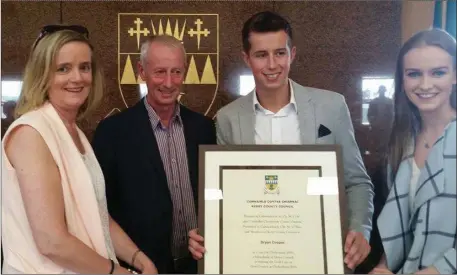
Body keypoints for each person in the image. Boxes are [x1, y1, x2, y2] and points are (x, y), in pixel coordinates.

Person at [188, 11, 374, 271]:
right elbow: (223, 195)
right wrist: (206, 229)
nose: (272, 64)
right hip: (254, 258)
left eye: (280, 53)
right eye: (261, 55)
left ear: (292, 53)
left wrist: (360, 229)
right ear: (247, 58)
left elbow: (357, 181)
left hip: (318, 253)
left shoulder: (331, 106)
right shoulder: (228, 119)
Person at [1, 25, 157, 274]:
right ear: (43, 74)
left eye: (84, 67)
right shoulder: (31, 133)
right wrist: (117, 272)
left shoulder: (74, 132)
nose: (77, 77)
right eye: (63, 68)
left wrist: (138, 258)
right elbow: (52, 242)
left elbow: (96, 213)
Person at [92, 34, 217, 274]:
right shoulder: (113, 132)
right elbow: (100, 208)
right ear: (141, 71)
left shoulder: (204, 128)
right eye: (160, 72)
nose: (169, 83)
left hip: (199, 264)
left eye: (177, 72)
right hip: (143, 266)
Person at [370, 29, 456, 275]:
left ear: (455, 76)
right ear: (403, 80)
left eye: (438, 72)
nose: (425, 85)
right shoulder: (402, 142)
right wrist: (383, 267)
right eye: (414, 74)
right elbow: (400, 225)